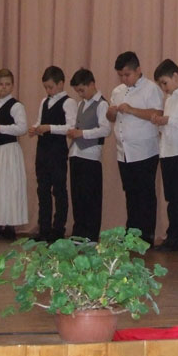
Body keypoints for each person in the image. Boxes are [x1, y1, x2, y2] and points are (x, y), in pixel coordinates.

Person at [107, 51, 163, 246]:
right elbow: (111, 118)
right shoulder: (117, 91)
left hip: (145, 151)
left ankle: (146, 236)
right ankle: (131, 234)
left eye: (127, 74)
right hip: (124, 152)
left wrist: (131, 110)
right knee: (131, 194)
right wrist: (111, 112)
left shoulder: (151, 88)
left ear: (138, 70)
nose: (124, 79)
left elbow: (157, 113)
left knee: (145, 194)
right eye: (120, 75)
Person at [29, 65, 76, 241]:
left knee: (59, 189)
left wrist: (49, 128)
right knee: (42, 189)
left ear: (61, 83)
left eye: (51, 87)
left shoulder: (68, 102)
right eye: (46, 87)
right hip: (42, 149)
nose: (48, 90)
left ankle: (58, 229)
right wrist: (35, 128)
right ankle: (44, 228)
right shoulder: (44, 101)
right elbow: (40, 121)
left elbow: (70, 127)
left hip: (57, 150)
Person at [151, 59, 178, 251]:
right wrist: (160, 122)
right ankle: (172, 235)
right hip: (167, 152)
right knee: (172, 198)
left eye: (164, 83)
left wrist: (168, 120)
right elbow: (168, 126)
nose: (163, 88)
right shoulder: (169, 99)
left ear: (175, 76)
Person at [0, 68, 28, 240]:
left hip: (8, 151)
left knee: (9, 187)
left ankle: (10, 225)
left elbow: (22, 128)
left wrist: (0, 128)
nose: (4, 87)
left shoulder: (16, 106)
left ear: (12, 86)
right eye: (1, 84)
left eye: (7, 84)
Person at [66, 68, 111, 241]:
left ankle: (90, 235)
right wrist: (74, 132)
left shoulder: (102, 104)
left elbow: (105, 130)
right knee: (77, 197)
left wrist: (82, 133)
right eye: (77, 91)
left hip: (91, 156)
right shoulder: (81, 104)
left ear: (92, 84)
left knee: (90, 198)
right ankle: (79, 233)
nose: (80, 94)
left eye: (82, 90)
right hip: (76, 154)